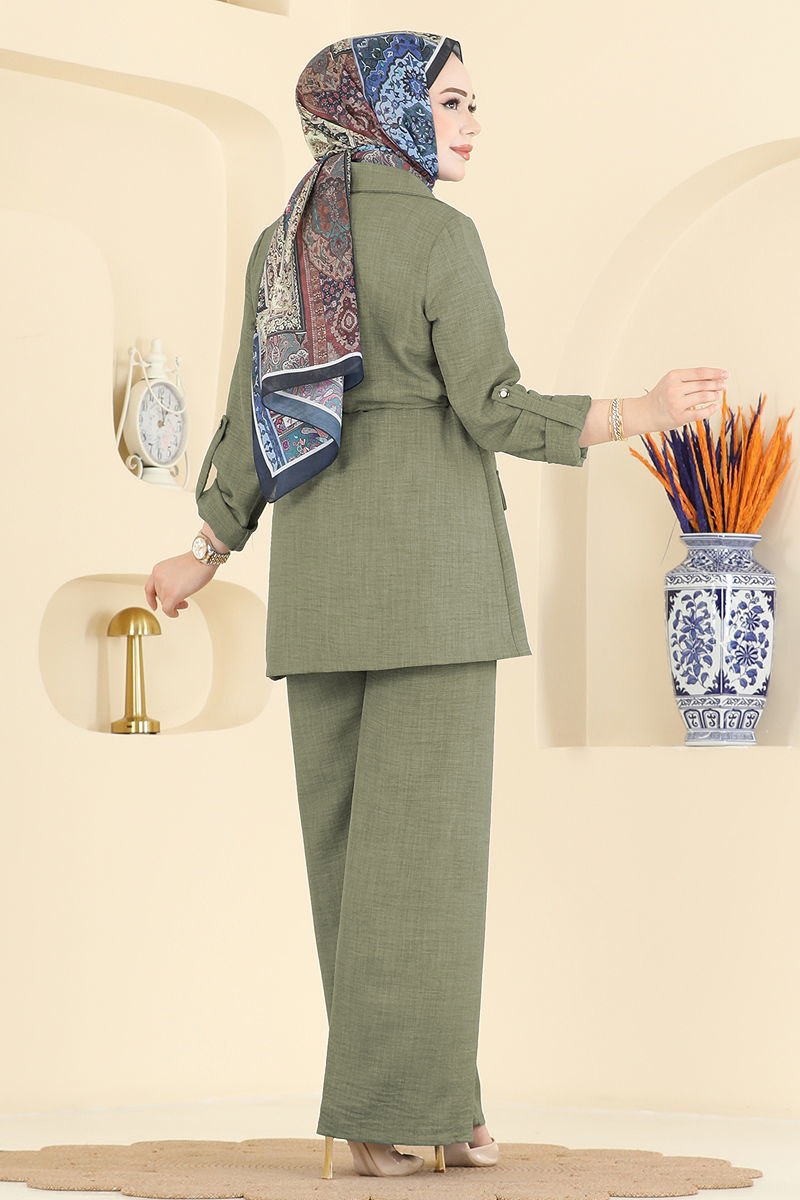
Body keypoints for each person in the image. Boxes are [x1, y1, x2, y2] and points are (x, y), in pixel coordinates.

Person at [144, 30, 728, 1181]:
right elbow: (493, 407)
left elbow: (251, 415)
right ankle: (392, 1113)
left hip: (319, 592)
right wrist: (638, 411)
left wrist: (205, 547)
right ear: (388, 111)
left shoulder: (283, 243)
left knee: (348, 865)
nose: (468, 122)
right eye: (449, 100)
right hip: (434, 591)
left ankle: (421, 1105)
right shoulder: (438, 238)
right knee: (428, 867)